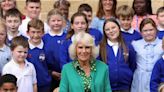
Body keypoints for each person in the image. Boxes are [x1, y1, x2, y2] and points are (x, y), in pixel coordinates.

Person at [99, 18, 136, 92]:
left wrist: (128, 75)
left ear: (119, 28)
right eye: (107, 29)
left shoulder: (128, 46)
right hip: (107, 87)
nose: (111, 31)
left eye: (113, 27)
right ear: (104, 32)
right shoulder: (101, 48)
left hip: (125, 87)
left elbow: (133, 65)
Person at [131, 18, 163, 92]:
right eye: (145, 30)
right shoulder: (135, 44)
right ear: (141, 32)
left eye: (151, 30)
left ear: (156, 30)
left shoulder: (162, 44)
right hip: (140, 79)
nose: (148, 33)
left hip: (157, 78)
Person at [42, 9, 66, 91]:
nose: (56, 23)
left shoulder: (67, 37)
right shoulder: (44, 38)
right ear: (48, 22)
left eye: (59, 20)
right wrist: (51, 72)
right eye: (53, 20)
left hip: (65, 75)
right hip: (49, 76)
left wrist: (65, 72)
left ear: (63, 22)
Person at [26, 19, 51, 92]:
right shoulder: (24, 47)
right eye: (33, 32)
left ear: (43, 33)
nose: (36, 35)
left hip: (44, 84)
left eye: (38, 32)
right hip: (28, 84)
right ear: (27, 33)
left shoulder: (47, 47)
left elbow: (50, 66)